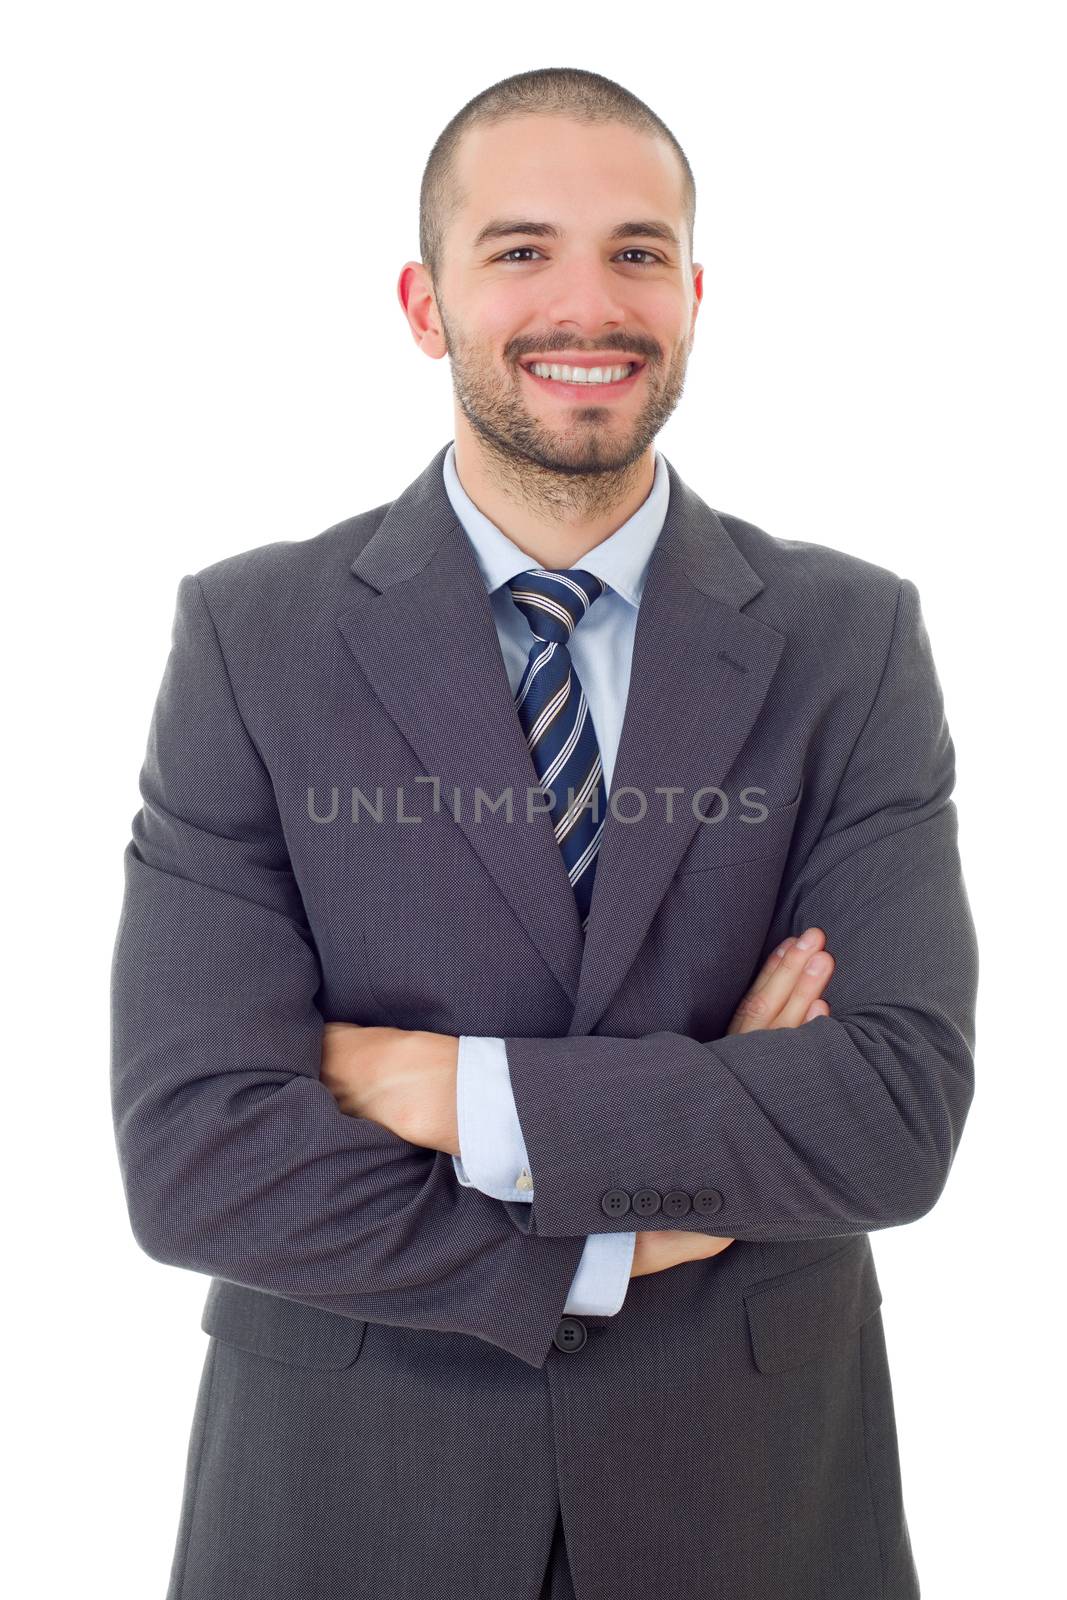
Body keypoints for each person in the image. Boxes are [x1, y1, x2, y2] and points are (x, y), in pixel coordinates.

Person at [110, 66, 978, 1600]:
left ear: (695, 293)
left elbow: (890, 1119)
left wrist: (435, 1086)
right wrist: (618, 1227)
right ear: (424, 301)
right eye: (521, 251)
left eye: (637, 251)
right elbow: (199, 1161)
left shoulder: (852, 640)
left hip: (756, 1507)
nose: (590, 302)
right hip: (349, 1503)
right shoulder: (255, 637)